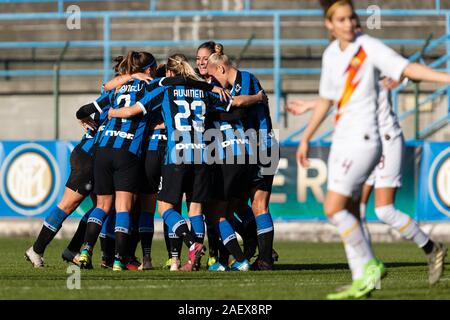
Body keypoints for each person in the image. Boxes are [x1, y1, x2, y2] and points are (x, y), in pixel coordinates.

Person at [296, 0, 450, 299]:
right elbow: (331, 99)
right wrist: (306, 136)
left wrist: (446, 77)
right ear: (330, 25)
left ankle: (372, 266)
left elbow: (408, 68)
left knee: (339, 208)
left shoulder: (369, 48)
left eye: (351, 17)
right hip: (343, 139)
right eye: (341, 19)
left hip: (370, 139)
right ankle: (363, 278)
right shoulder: (331, 55)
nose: (348, 23)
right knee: (354, 210)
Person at [207, 44, 279, 271]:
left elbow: (236, 103)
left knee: (257, 205)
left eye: (213, 75)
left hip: (261, 148)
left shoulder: (246, 80)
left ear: (220, 68)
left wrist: (256, 98)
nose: (215, 82)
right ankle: (255, 249)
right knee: (237, 206)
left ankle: (263, 257)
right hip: (250, 149)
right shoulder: (235, 81)